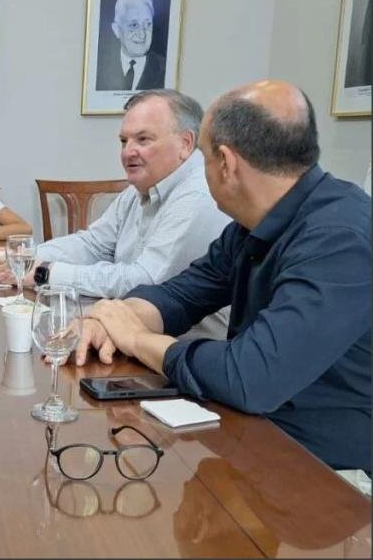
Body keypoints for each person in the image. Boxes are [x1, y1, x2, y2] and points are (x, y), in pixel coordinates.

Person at [81, 80, 371, 478]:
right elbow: (183, 294)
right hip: (253, 436)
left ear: (226, 163)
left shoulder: (340, 238)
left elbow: (250, 377)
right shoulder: (254, 223)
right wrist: (113, 315)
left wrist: (135, 339)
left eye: (200, 157)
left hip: (327, 476)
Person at [0, 89, 230, 338]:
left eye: (143, 139)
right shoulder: (141, 188)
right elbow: (94, 244)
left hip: (181, 355)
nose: (128, 152)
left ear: (185, 143)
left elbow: (145, 280)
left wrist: (44, 272)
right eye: (124, 141)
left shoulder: (199, 194)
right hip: (133, 338)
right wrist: (26, 256)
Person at [96, 0, 166, 91]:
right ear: (116, 30)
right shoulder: (97, 68)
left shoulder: (165, 68)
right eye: (134, 25)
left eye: (148, 24)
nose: (142, 35)